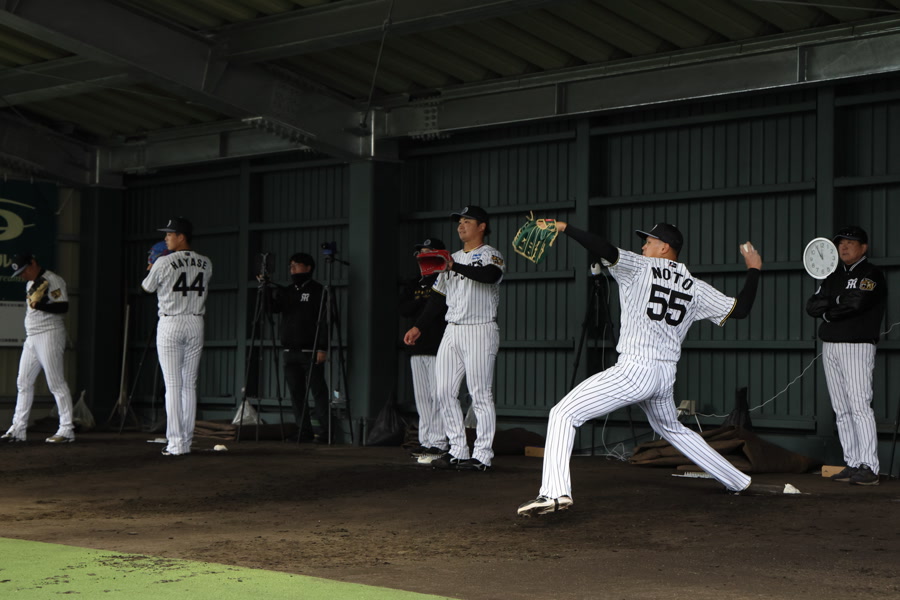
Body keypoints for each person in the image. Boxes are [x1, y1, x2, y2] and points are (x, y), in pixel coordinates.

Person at [517, 222, 763, 517]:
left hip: (635, 370)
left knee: (563, 413)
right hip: (664, 376)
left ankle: (554, 493)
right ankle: (737, 480)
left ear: (665, 247)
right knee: (671, 428)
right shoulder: (695, 287)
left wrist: (564, 227)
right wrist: (753, 269)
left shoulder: (639, 267)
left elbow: (604, 249)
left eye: (649, 241)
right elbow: (741, 309)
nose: (643, 246)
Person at [403, 206, 505, 471]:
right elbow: (438, 298)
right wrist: (418, 327)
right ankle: (458, 450)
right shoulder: (451, 258)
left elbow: (490, 276)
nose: (461, 225)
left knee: (480, 394)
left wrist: (453, 265)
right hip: (452, 329)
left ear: (482, 226)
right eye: (459, 222)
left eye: (467, 221)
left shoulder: (490, 253)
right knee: (443, 391)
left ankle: (482, 455)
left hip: (480, 328)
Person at [806, 226, 886, 486]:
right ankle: (853, 462)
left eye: (851, 242)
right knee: (841, 409)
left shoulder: (871, 273)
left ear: (864, 247)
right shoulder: (833, 275)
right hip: (831, 345)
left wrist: (830, 307)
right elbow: (811, 306)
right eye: (841, 242)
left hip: (857, 345)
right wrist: (837, 302)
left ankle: (869, 466)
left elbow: (857, 303)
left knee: (859, 405)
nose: (844, 246)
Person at [141, 217, 213, 457]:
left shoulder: (163, 261)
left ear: (181, 237)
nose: (166, 238)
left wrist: (152, 266)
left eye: (170, 234)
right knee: (189, 384)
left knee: (173, 384)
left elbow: (147, 287)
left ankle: (175, 443)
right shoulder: (206, 262)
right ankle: (187, 441)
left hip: (171, 321)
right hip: (195, 321)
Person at [2, 253, 75, 443]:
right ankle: (18, 429)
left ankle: (66, 430)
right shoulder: (30, 284)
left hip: (50, 333)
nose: (22, 275)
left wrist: (40, 305)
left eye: (24, 270)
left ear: (33, 263)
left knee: (56, 383)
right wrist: (37, 304)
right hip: (32, 336)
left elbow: (63, 307)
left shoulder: (52, 279)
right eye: (19, 273)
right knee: (23, 382)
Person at [269, 253, 329, 443]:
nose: (292, 269)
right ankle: (304, 431)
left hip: (310, 351)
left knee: (318, 392)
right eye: (290, 266)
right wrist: (264, 289)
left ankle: (326, 431)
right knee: (296, 394)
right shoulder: (287, 291)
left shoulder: (318, 290)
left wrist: (322, 347)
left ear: (308, 267)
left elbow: (324, 321)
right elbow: (273, 308)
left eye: (296, 265)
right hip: (289, 351)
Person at [399, 238, 449, 464]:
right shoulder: (413, 283)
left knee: (438, 395)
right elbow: (404, 308)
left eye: (428, 252)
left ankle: (439, 442)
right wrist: (424, 304)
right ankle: (426, 439)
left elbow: (441, 308)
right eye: (420, 253)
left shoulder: (444, 279)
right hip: (417, 346)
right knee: (422, 397)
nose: (423, 256)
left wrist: (425, 306)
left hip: (439, 345)